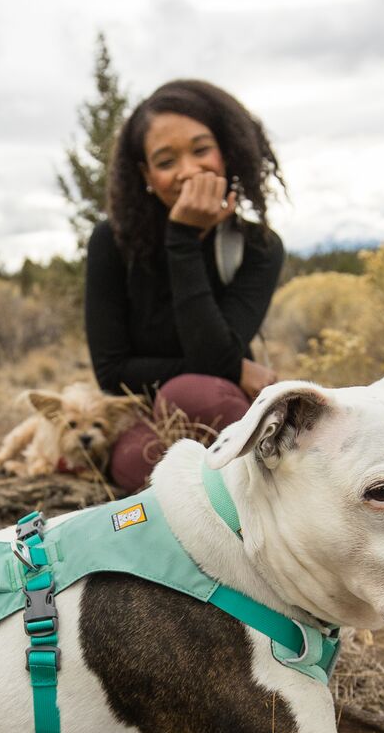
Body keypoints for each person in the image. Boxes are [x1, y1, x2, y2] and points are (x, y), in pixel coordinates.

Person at [85, 79, 286, 490]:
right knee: (136, 459)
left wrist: (182, 241)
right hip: (144, 412)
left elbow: (213, 361)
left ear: (226, 153)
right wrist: (238, 367)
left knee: (193, 393)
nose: (189, 171)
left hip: (217, 406)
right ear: (146, 174)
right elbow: (112, 371)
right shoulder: (111, 243)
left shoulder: (257, 247)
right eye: (166, 161)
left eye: (201, 150)